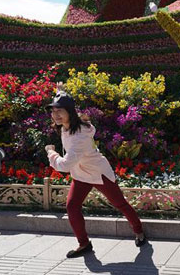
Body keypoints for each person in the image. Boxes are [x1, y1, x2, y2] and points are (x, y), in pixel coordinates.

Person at [45, 90, 146, 259]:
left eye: (59, 111)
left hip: (99, 173)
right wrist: (59, 91)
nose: (55, 115)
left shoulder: (79, 136)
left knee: (119, 203)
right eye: (53, 111)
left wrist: (51, 153)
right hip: (81, 174)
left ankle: (139, 231)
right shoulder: (66, 127)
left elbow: (64, 165)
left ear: (70, 112)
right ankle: (84, 244)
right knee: (72, 206)